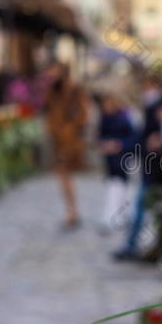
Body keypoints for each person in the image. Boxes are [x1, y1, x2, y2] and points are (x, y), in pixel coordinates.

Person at [113, 72, 162, 261]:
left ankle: (140, 246)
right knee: (148, 207)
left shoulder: (161, 107)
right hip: (153, 167)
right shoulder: (154, 106)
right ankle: (143, 246)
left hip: (159, 168)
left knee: (148, 206)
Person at [45, 62, 89, 230]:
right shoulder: (52, 91)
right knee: (63, 177)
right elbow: (50, 112)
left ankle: (72, 211)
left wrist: (70, 128)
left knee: (65, 175)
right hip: (58, 139)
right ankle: (71, 210)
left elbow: (83, 113)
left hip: (70, 140)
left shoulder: (74, 89)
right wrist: (52, 128)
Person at [97, 90, 137, 233]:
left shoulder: (125, 117)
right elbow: (101, 136)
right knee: (114, 185)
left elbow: (133, 139)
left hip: (122, 157)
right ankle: (116, 216)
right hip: (111, 159)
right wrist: (105, 144)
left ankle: (118, 216)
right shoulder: (105, 118)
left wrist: (119, 144)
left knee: (120, 186)